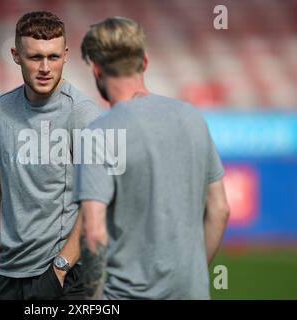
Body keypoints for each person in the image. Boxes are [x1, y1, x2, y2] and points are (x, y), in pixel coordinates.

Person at [73, 17, 230, 299]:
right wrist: (193, 278)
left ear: (96, 70)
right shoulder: (192, 118)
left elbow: (93, 232)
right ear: (144, 62)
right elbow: (219, 210)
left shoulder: (99, 134)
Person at [0, 11, 102, 300]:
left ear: (66, 54)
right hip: (7, 275)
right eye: (35, 57)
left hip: (65, 274)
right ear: (16, 55)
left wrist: (60, 269)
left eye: (54, 57)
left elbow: (96, 201)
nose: (46, 67)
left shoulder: (83, 113)